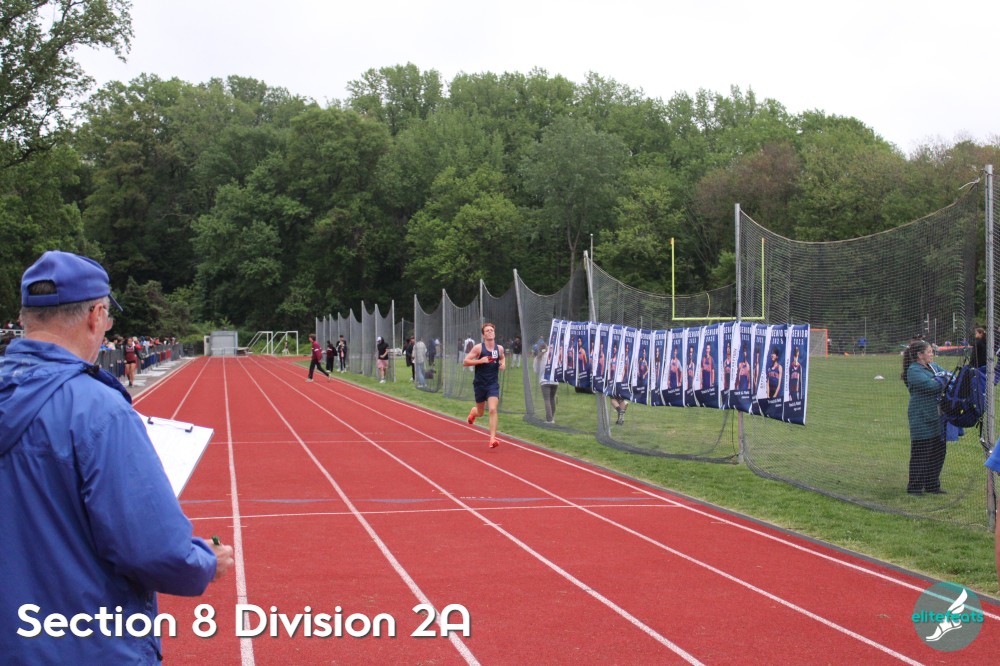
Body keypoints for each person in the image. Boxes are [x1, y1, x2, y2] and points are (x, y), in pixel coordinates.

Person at [0, 250, 233, 663]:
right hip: (84, 643)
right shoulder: (98, 410)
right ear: (96, 315)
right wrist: (203, 562)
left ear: (25, 317)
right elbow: (152, 549)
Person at [901, 339, 947, 495]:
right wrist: (941, 380)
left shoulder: (933, 366)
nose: (932, 354)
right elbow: (931, 386)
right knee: (921, 453)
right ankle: (914, 488)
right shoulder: (913, 371)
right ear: (920, 355)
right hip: (921, 417)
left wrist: (942, 379)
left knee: (938, 452)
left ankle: (932, 485)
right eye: (929, 352)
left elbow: (947, 376)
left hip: (937, 416)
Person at [464, 322, 506, 448]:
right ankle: (473, 412)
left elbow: (502, 357)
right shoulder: (478, 348)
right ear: (483, 335)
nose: (490, 332)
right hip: (480, 384)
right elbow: (465, 361)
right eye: (487, 330)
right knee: (480, 412)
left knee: (493, 409)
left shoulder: (499, 348)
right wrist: (480, 361)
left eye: (491, 330)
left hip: (492, 384)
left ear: (494, 333)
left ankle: (492, 439)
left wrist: (503, 364)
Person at [536, 343, 558, 423]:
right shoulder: (554, 355)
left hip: (544, 381)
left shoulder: (539, 358)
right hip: (554, 380)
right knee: (552, 399)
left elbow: (536, 370)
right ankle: (552, 417)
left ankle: (549, 419)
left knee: (547, 400)